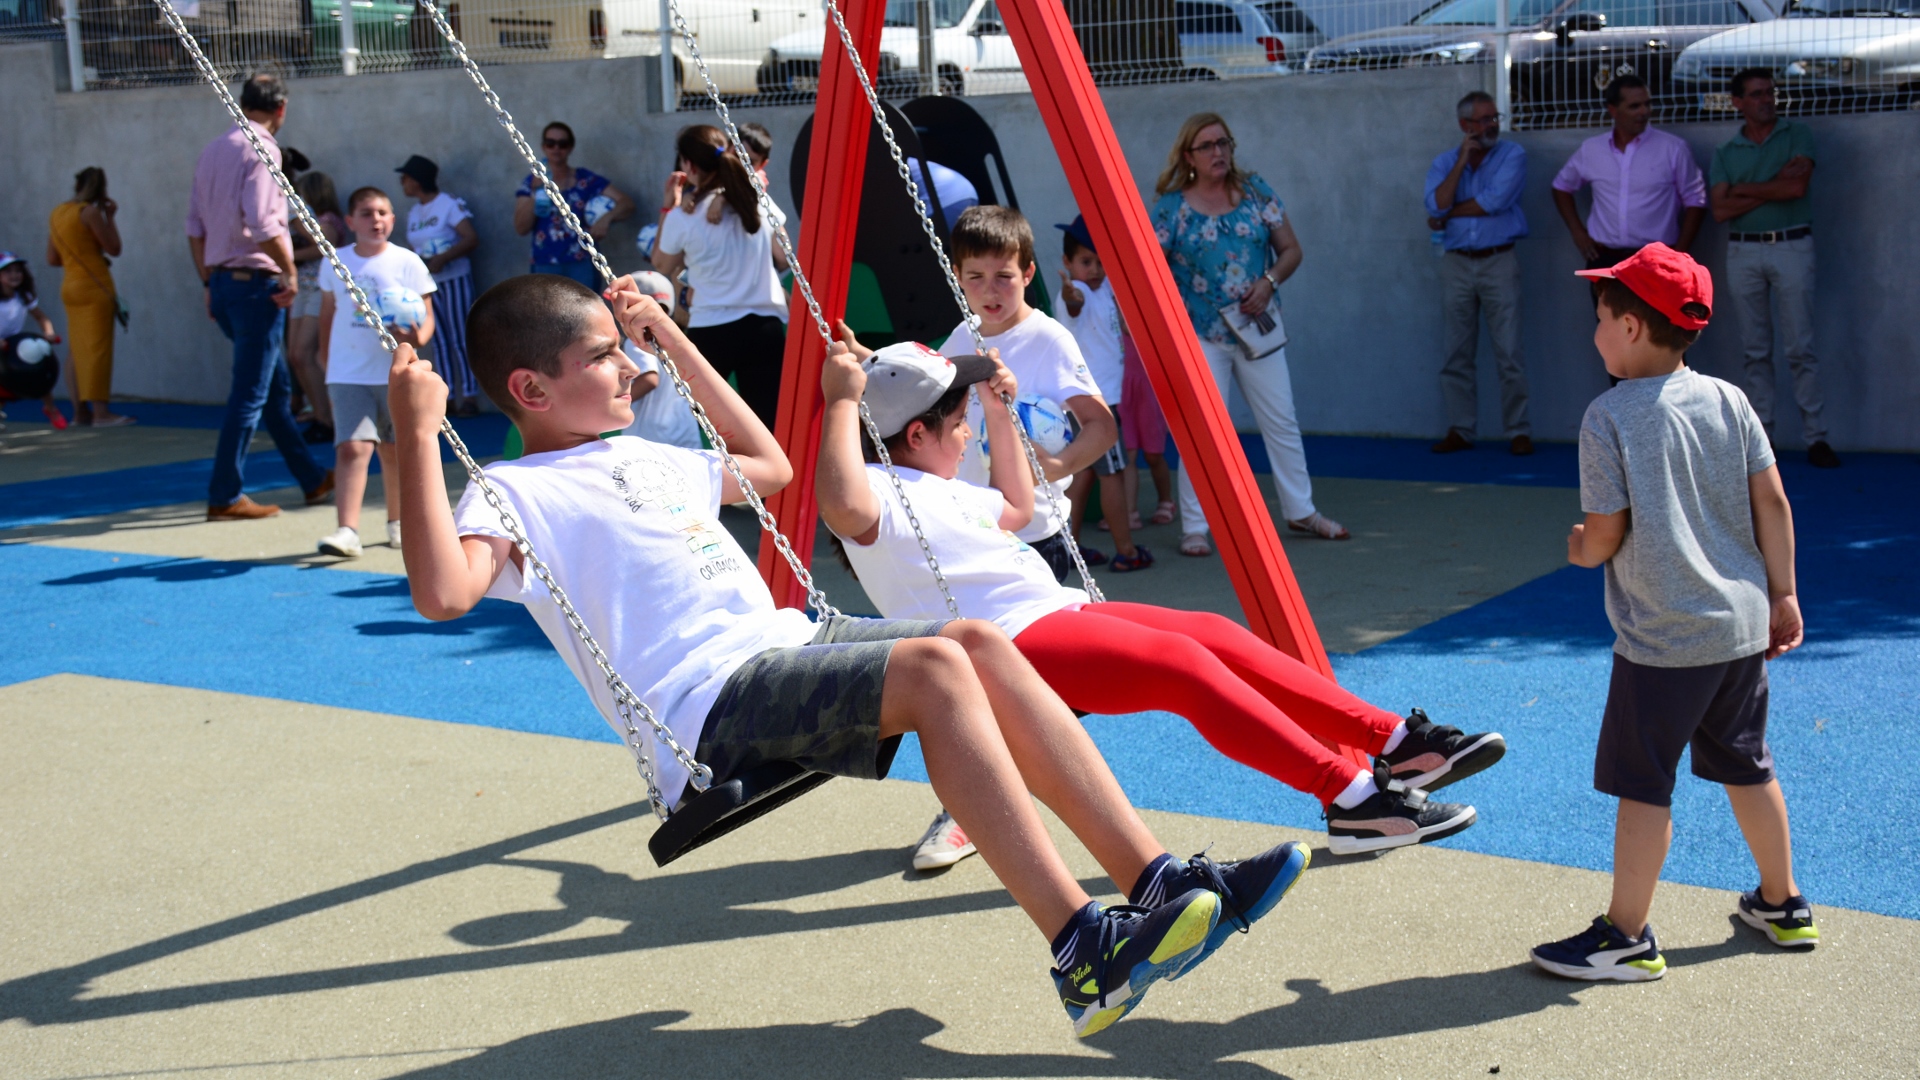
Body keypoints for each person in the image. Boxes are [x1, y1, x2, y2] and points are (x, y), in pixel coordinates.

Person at [391, 271, 1300, 1039]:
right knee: (941, 670)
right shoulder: (511, 492)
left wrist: (668, 334)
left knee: (977, 642)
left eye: (621, 349)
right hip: (709, 704)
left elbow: (767, 465)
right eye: (601, 356)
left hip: (789, 643)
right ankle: (1081, 950)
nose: (628, 366)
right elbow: (444, 593)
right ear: (530, 392)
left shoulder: (653, 454)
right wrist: (417, 433)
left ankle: (1157, 879)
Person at [818, 336, 1501, 872]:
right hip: (1006, 648)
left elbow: (1021, 507)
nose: (965, 434)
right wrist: (843, 401)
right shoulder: (879, 495)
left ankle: (1395, 741)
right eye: (959, 423)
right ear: (914, 436)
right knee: (1181, 667)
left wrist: (997, 409)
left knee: (1214, 634)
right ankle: (1351, 797)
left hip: (1057, 611)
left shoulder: (948, 487)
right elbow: (841, 502)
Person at [1531, 244, 1816, 982]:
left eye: (1599, 319)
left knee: (1643, 783)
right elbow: (1773, 502)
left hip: (1664, 639)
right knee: (1747, 766)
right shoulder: (1729, 399)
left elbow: (1606, 533)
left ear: (1630, 327)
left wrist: (1579, 549)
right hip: (1739, 628)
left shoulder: (1608, 416)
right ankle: (1783, 906)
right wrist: (1782, 594)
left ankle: (1626, 935)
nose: (1593, 333)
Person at [1152, 112, 1346, 554]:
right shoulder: (1170, 207)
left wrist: (1270, 281)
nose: (1219, 152)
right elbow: (1153, 270)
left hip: (1257, 328)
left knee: (1282, 419)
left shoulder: (1256, 192)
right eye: (1207, 146)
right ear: (1189, 157)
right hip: (1201, 332)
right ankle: (1196, 527)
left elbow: (1292, 250)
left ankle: (1301, 511)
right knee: (1203, 430)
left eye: (1224, 143)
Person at [938, 206, 1117, 579]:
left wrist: (1059, 466)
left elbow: (1102, 425)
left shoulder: (1049, 339)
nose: (990, 290)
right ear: (956, 275)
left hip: (1036, 535)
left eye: (1004, 276)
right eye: (975, 276)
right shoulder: (961, 336)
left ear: (1028, 273)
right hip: (976, 528)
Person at [186, 72, 333, 522]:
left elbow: (195, 229)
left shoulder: (214, 149)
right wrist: (288, 273)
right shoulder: (263, 148)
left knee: (272, 390)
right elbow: (266, 223)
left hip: (227, 283)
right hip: (256, 285)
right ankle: (225, 494)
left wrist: (210, 283)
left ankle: (310, 478)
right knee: (251, 393)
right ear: (281, 109)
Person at [1709, 69, 1838, 470]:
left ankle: (1816, 436)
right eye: (1756, 94)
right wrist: (1770, 187)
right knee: (1755, 350)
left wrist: (1743, 189)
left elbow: (1795, 189)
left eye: (1770, 92)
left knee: (1800, 346)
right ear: (1738, 102)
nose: (1766, 99)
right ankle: (1763, 439)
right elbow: (1720, 209)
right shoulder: (1726, 152)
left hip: (1792, 244)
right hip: (1744, 252)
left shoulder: (1797, 136)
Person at [315, 187, 435, 559]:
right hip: (347, 371)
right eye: (366, 213)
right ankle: (347, 530)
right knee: (352, 447)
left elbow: (427, 317)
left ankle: (397, 523)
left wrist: (414, 337)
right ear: (350, 222)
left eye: (383, 213)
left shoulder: (408, 262)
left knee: (394, 450)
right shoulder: (335, 261)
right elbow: (328, 312)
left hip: (393, 373)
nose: (376, 220)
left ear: (393, 220)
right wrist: (324, 356)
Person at [651, 124, 792, 431]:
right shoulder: (756, 200)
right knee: (771, 427)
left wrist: (669, 204)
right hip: (764, 328)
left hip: (712, 329)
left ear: (688, 165)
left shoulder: (683, 216)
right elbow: (785, 256)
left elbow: (661, 264)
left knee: (706, 428)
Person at [1425, 91, 1531, 457]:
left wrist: (1447, 214)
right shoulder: (1444, 162)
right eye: (1482, 120)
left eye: (1494, 118)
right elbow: (1435, 202)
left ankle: (1518, 430)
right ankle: (1461, 429)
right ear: (1464, 126)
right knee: (1456, 350)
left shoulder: (1512, 155)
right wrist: (1460, 164)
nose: (1490, 126)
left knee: (1509, 350)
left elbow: (1494, 202)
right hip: (1456, 262)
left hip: (1498, 260)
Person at [1054, 215, 1150, 571]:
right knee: (1114, 473)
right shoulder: (1073, 297)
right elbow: (1073, 302)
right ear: (1067, 264)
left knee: (1084, 474)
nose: (1094, 269)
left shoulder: (1104, 288)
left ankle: (1069, 549)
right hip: (1095, 405)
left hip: (1094, 399)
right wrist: (1070, 291)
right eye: (1085, 261)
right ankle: (1126, 551)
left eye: (1099, 261)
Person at [1551, 75, 1706, 278]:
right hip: (1606, 259)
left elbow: (1696, 200)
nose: (1644, 112)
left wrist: (1680, 253)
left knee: (1654, 312)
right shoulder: (1592, 149)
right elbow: (1561, 186)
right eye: (1634, 106)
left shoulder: (1673, 148)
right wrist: (1578, 232)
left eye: (1647, 104)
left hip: (1656, 261)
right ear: (1613, 110)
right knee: (1605, 311)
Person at [398, 154, 483, 419]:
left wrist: (444, 258)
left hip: (454, 278)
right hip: (427, 285)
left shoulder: (448, 204)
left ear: (418, 180)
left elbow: (471, 238)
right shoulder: (413, 212)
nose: (402, 183)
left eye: (406, 178)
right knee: (440, 341)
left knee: (460, 337)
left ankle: (469, 395)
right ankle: (447, 397)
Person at [46, 167, 131, 427]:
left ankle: (79, 411)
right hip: (95, 286)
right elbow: (114, 248)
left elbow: (52, 258)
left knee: (77, 349)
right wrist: (110, 216)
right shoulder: (89, 212)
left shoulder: (58, 213)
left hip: (70, 286)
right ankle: (100, 412)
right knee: (97, 349)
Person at [513, 121, 635, 288]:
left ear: (570, 147)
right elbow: (521, 228)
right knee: (546, 314)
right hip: (545, 263)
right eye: (550, 143)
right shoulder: (531, 182)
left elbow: (626, 203)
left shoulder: (585, 179)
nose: (556, 149)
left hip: (582, 262)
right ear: (543, 147)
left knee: (585, 314)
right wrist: (536, 191)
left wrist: (606, 219)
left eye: (562, 144)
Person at [289, 170, 347, 443]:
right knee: (296, 355)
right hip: (302, 286)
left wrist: (288, 254)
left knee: (307, 352)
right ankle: (320, 414)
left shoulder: (328, 221)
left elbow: (326, 246)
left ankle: (330, 418)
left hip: (321, 289)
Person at [0, 252, 71, 428]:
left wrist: (49, 333)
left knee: (39, 374)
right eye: (8, 271)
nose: (14, 275)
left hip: (12, 346)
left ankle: (51, 409)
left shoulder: (25, 297)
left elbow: (42, 318)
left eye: (18, 270)